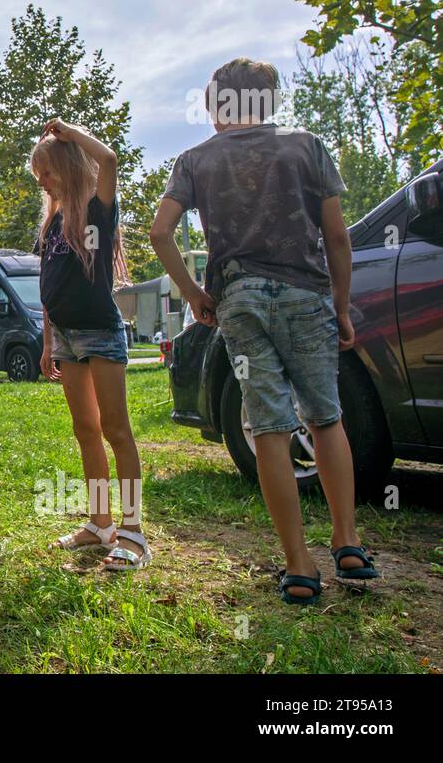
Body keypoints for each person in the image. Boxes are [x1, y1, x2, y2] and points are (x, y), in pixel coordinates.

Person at [150, 57, 379, 605]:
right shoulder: (306, 148)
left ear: (218, 108)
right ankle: (347, 543)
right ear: (270, 102)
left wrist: (194, 295)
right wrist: (342, 308)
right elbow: (339, 239)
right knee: (325, 417)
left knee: (270, 427)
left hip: (240, 298)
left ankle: (300, 568)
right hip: (306, 294)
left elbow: (160, 233)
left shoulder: (195, 161)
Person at [33, 119, 150, 571]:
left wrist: (69, 133)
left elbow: (108, 158)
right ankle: (101, 524)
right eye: (38, 175)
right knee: (86, 431)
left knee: (116, 430)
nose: (42, 182)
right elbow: (48, 287)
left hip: (101, 332)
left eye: (46, 172)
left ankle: (134, 531)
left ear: (65, 166)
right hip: (64, 337)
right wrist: (48, 343)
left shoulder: (99, 211)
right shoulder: (52, 224)